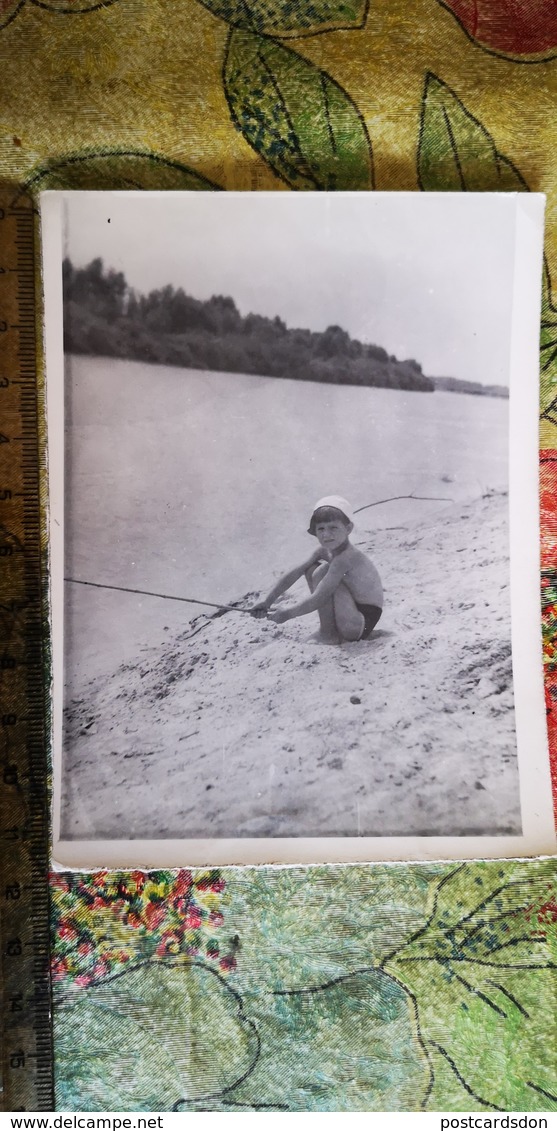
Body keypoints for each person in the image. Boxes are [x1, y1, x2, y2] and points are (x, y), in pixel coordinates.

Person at [250, 496, 383, 644]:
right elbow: (295, 572)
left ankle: (327, 634)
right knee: (311, 568)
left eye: (333, 528)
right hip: (352, 614)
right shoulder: (324, 550)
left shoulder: (345, 558)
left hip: (361, 621)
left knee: (322, 572)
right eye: (321, 529)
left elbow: (319, 597)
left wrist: (287, 614)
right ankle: (329, 631)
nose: (326, 534)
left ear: (348, 528)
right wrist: (267, 601)